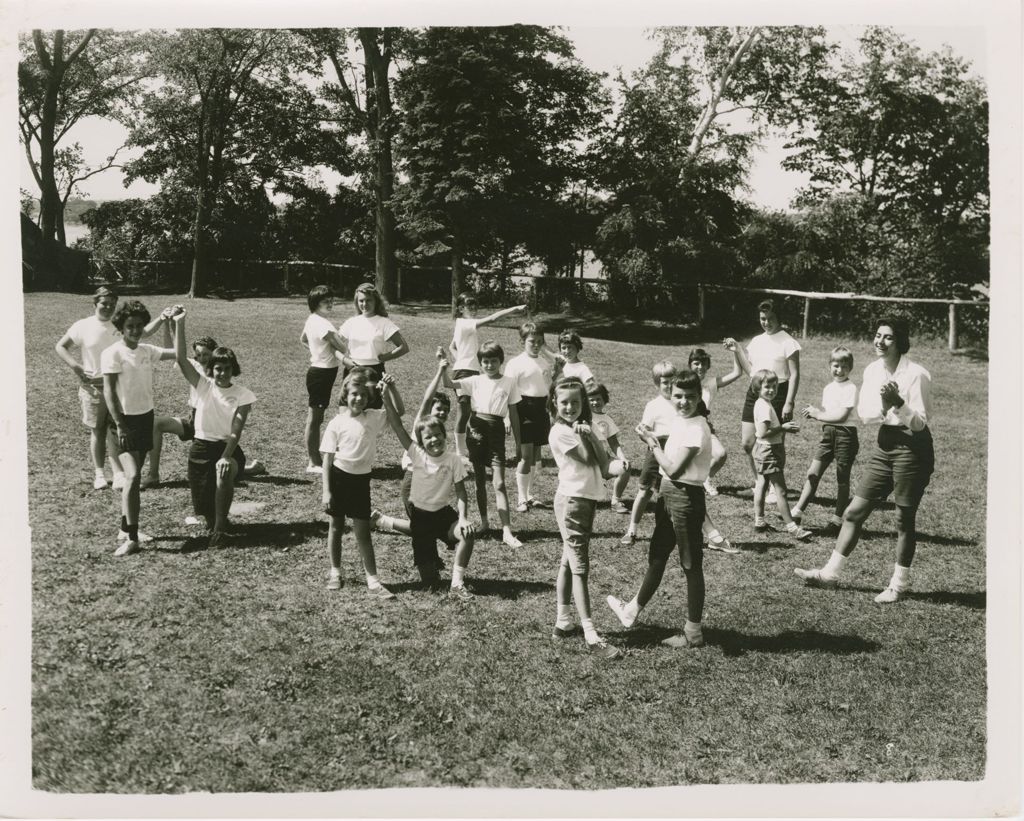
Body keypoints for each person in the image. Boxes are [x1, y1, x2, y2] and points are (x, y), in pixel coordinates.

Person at [795, 319, 934, 603]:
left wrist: (899, 403)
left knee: (904, 519)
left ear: (901, 342)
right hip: (885, 446)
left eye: (888, 337)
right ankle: (830, 574)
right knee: (853, 512)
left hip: (913, 448)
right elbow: (867, 415)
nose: (880, 342)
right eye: (877, 335)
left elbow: (920, 423)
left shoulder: (917, 374)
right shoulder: (872, 371)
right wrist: (885, 406)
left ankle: (898, 585)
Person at [606, 370, 713, 649]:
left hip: (685, 497)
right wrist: (654, 437)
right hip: (669, 495)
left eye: (690, 397)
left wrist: (653, 444)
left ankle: (694, 633)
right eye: (678, 396)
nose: (683, 401)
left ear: (699, 397)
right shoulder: (683, 420)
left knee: (691, 564)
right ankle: (631, 611)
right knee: (657, 555)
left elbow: (675, 469)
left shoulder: (696, 427)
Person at [547, 376, 625, 660]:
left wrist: (591, 433)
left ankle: (563, 622)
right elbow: (588, 458)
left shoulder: (584, 426)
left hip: (585, 500)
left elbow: (605, 464)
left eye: (575, 403)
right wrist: (588, 435)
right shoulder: (560, 432)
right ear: (554, 403)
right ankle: (591, 635)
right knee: (580, 567)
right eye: (564, 402)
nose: (570, 407)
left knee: (569, 561)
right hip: (572, 502)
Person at [55, 285, 161, 490]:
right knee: (98, 430)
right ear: (95, 303)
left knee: (115, 431)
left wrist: (163, 319)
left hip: (118, 387)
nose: (108, 308)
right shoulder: (83, 325)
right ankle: (99, 474)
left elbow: (144, 332)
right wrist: (76, 367)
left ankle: (119, 473)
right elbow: (61, 346)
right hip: (94, 387)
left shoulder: (119, 324)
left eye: (112, 304)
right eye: (104, 303)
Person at [380, 374, 476, 600]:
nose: (434, 440)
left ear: (445, 436)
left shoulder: (454, 460)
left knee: (467, 534)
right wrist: (385, 397)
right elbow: (397, 425)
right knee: (430, 582)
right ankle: (387, 523)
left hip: (443, 514)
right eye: (428, 437)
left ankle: (457, 583)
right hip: (421, 518)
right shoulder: (417, 454)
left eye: (438, 435)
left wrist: (462, 518)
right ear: (421, 442)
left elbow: (461, 492)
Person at [171, 309, 256, 546]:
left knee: (224, 471)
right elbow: (180, 358)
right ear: (211, 369)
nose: (222, 373)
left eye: (227, 368)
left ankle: (220, 528)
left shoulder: (243, 395)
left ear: (233, 369)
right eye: (218, 368)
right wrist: (180, 323)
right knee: (203, 499)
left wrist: (226, 456)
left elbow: (236, 430)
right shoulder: (203, 385)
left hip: (227, 448)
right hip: (201, 446)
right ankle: (214, 520)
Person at [100, 301, 178, 556]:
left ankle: (126, 528)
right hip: (122, 422)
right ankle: (132, 538)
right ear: (121, 328)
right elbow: (109, 393)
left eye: (138, 326)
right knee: (132, 477)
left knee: (134, 479)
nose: (134, 330)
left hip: (145, 418)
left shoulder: (146, 350)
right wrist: (120, 425)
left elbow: (177, 352)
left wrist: (175, 322)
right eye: (129, 326)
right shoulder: (112, 353)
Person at [144, 329, 266, 490]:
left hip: (214, 424)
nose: (201, 359)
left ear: (214, 354)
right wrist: (170, 325)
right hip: (194, 419)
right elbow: (175, 353)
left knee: (218, 460)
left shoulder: (219, 372)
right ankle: (153, 475)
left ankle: (245, 468)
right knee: (156, 424)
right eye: (198, 355)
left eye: (205, 355)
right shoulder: (195, 367)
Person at [320, 370, 396, 598]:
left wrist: (389, 391)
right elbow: (327, 460)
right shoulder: (337, 422)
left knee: (362, 532)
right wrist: (326, 491)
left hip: (361, 482)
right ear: (346, 394)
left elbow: (397, 413)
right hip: (338, 479)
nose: (359, 399)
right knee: (336, 527)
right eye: (355, 394)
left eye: (364, 395)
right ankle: (335, 572)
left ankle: (373, 580)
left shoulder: (373, 417)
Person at [442, 341, 523, 548]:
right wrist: (442, 365)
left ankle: (506, 530)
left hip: (496, 432)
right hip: (476, 429)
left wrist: (519, 444)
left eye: (493, 361)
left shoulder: (510, 382)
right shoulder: (475, 380)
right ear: (480, 363)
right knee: (479, 481)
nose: (489, 365)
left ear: (500, 361)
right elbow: (449, 384)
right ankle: (485, 522)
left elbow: (513, 414)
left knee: (499, 483)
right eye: (485, 361)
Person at [372, 349, 451, 541]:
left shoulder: (438, 433)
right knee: (427, 531)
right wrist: (440, 371)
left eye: (446, 411)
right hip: (413, 482)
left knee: (431, 529)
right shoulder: (421, 425)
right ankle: (381, 521)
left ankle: (380, 520)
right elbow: (426, 398)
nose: (442, 413)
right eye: (439, 408)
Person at [734, 299, 801, 501]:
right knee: (748, 443)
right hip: (755, 392)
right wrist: (737, 350)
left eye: (771, 318)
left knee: (773, 444)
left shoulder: (788, 342)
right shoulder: (756, 341)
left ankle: (774, 488)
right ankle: (759, 484)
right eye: (763, 318)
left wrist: (789, 402)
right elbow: (751, 371)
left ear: (779, 318)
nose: (766, 322)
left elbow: (795, 374)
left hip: (778, 393)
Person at [789, 346, 859, 535]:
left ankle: (837, 520)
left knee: (842, 479)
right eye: (836, 365)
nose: (839, 370)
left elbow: (842, 416)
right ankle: (797, 511)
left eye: (844, 367)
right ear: (830, 365)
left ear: (850, 368)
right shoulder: (828, 388)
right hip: (828, 435)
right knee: (813, 473)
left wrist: (818, 414)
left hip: (845, 435)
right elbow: (829, 414)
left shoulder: (851, 388)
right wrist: (816, 413)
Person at [449, 293, 527, 461]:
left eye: (475, 306)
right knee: (464, 412)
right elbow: (492, 319)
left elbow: (452, 346)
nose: (473, 309)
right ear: (460, 309)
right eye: (469, 306)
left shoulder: (461, 324)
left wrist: (461, 359)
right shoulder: (465, 323)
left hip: (470, 370)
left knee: (473, 411)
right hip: (465, 372)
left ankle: (474, 447)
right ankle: (460, 453)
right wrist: (515, 308)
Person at [688, 344, 745, 553]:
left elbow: (738, 373)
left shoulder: (711, 383)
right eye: (696, 363)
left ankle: (706, 478)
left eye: (703, 363)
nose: (699, 367)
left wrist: (735, 352)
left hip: (704, 426)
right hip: (687, 428)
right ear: (690, 364)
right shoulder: (684, 381)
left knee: (720, 454)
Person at [750, 369, 813, 541]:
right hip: (769, 450)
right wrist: (783, 428)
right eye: (767, 386)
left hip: (764, 449)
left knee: (762, 484)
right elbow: (763, 432)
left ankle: (759, 521)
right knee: (781, 491)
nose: (771, 390)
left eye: (774, 386)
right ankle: (792, 527)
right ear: (757, 388)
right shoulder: (763, 406)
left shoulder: (762, 403)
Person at [620, 360, 678, 546]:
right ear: (657, 384)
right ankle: (632, 530)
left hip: (676, 450)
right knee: (645, 491)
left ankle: (672, 531)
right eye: (664, 382)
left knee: (672, 492)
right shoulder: (653, 405)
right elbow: (643, 430)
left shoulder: (681, 401)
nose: (669, 385)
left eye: (672, 381)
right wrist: (648, 436)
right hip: (656, 449)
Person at [504, 321, 558, 513]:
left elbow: (549, 389)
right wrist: (508, 418)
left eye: (539, 342)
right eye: (532, 341)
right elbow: (508, 391)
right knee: (525, 457)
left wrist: (551, 413)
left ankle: (529, 494)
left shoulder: (545, 363)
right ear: (522, 342)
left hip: (541, 409)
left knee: (535, 456)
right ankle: (520, 498)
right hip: (522, 409)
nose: (536, 345)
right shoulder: (515, 363)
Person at [338, 282, 409, 410]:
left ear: (376, 301)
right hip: (352, 370)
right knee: (348, 413)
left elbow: (403, 347)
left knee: (371, 414)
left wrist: (383, 358)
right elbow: (333, 346)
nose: (364, 304)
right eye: (361, 301)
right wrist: (345, 360)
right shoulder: (351, 322)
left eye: (368, 300)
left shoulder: (384, 323)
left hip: (374, 371)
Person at [300, 285, 348, 474]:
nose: (330, 304)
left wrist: (317, 352)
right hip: (320, 374)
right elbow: (343, 348)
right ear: (315, 303)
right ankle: (313, 462)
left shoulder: (313, 320)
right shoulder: (323, 324)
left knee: (316, 417)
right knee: (315, 418)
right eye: (325, 301)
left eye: (331, 300)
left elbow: (303, 339)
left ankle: (315, 459)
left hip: (321, 372)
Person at [585, 383, 631, 513]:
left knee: (625, 467)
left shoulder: (607, 419)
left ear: (604, 399)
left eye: (598, 399)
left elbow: (614, 443)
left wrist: (623, 458)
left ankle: (615, 501)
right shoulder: (584, 417)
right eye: (591, 399)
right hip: (587, 462)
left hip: (603, 461)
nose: (595, 402)